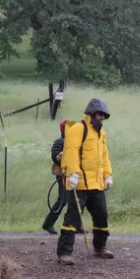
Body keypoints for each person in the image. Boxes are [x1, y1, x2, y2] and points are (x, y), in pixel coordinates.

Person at [57, 98, 114, 265]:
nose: (101, 117)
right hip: (79, 184)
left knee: (102, 216)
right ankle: (64, 253)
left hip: (96, 184)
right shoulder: (77, 129)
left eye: (103, 115)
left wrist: (107, 175)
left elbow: (104, 155)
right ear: (91, 114)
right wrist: (73, 174)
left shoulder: (101, 133)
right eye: (98, 114)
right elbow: (70, 152)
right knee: (73, 218)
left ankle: (99, 248)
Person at [41, 119, 84, 235]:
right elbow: (55, 157)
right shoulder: (59, 142)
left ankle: (76, 226)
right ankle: (48, 224)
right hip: (63, 175)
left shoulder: (75, 141)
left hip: (75, 175)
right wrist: (62, 157)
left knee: (77, 200)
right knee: (63, 200)